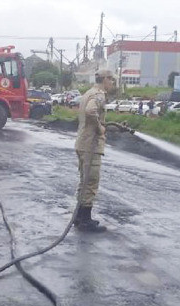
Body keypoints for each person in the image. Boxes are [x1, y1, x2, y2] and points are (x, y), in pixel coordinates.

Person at [74, 69, 117, 232]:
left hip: (83, 143)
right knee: (91, 181)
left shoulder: (89, 92)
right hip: (91, 146)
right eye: (111, 80)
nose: (112, 83)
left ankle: (79, 216)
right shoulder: (99, 94)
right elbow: (91, 111)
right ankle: (84, 220)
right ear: (104, 79)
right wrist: (100, 128)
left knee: (84, 181)